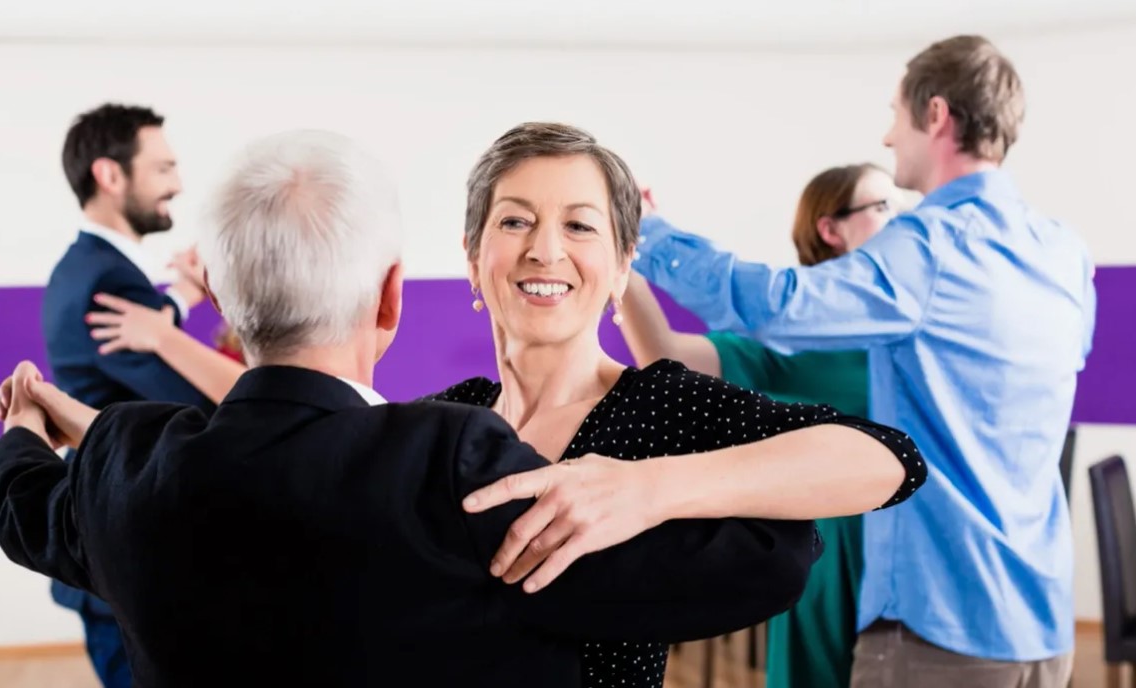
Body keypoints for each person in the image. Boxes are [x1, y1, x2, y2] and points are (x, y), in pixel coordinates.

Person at [0, 129, 831, 688]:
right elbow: (768, 559)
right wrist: (655, 490)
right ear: (394, 297)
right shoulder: (454, 460)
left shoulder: (128, 467)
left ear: (221, 303)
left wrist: (34, 425)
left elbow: (24, 500)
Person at [631, 35, 1095, 688]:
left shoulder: (930, 246)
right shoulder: (1061, 251)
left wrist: (647, 233)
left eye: (894, 114)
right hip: (1042, 625)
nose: (886, 137)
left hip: (942, 623)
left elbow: (773, 304)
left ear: (934, 115)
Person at [426, 121, 926, 687]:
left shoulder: (658, 405)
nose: (545, 250)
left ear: (621, 268)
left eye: (579, 225)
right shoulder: (441, 421)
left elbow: (889, 460)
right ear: (472, 257)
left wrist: (648, 490)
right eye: (515, 221)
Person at [620, 163, 898, 688]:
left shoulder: (910, 329)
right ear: (830, 229)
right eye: (882, 208)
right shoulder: (796, 338)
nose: (900, 222)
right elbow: (667, 357)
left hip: (915, 575)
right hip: (832, 574)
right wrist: (623, 266)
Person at [40, 102, 212, 688]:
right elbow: (195, 404)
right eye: (163, 168)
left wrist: (180, 301)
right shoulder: (107, 282)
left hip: (108, 526)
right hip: (124, 540)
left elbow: (144, 331)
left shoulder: (85, 268)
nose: (177, 183)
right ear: (111, 176)